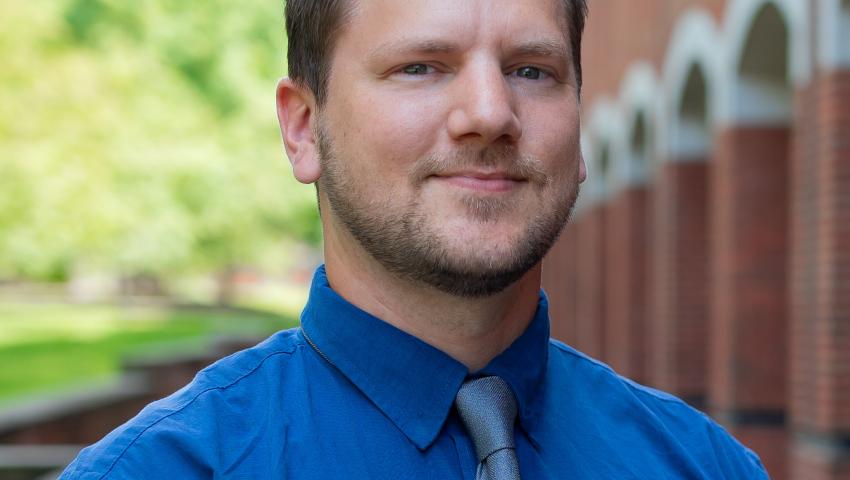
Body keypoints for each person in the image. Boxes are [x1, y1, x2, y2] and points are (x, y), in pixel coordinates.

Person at [61, 0, 769, 478]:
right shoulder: (160, 470)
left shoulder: (703, 467)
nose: (490, 113)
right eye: (421, 67)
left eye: (532, 70)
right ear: (303, 128)